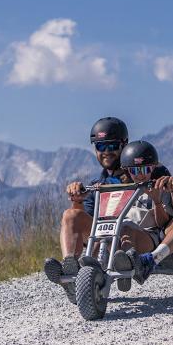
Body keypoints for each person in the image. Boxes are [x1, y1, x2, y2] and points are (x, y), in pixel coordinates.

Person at [43, 116, 131, 289]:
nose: (106, 151)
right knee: (70, 214)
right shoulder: (96, 185)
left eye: (112, 146)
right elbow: (84, 224)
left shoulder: (144, 172)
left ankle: (73, 278)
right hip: (103, 243)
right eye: (100, 146)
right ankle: (70, 271)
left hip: (130, 241)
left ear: (124, 145)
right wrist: (77, 201)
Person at [110, 140, 173, 285]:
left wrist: (157, 200)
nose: (140, 175)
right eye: (135, 170)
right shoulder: (119, 188)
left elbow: (164, 223)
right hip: (120, 237)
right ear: (127, 170)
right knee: (125, 229)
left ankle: (148, 261)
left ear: (153, 168)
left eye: (146, 170)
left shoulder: (158, 186)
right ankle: (115, 264)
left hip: (151, 239)